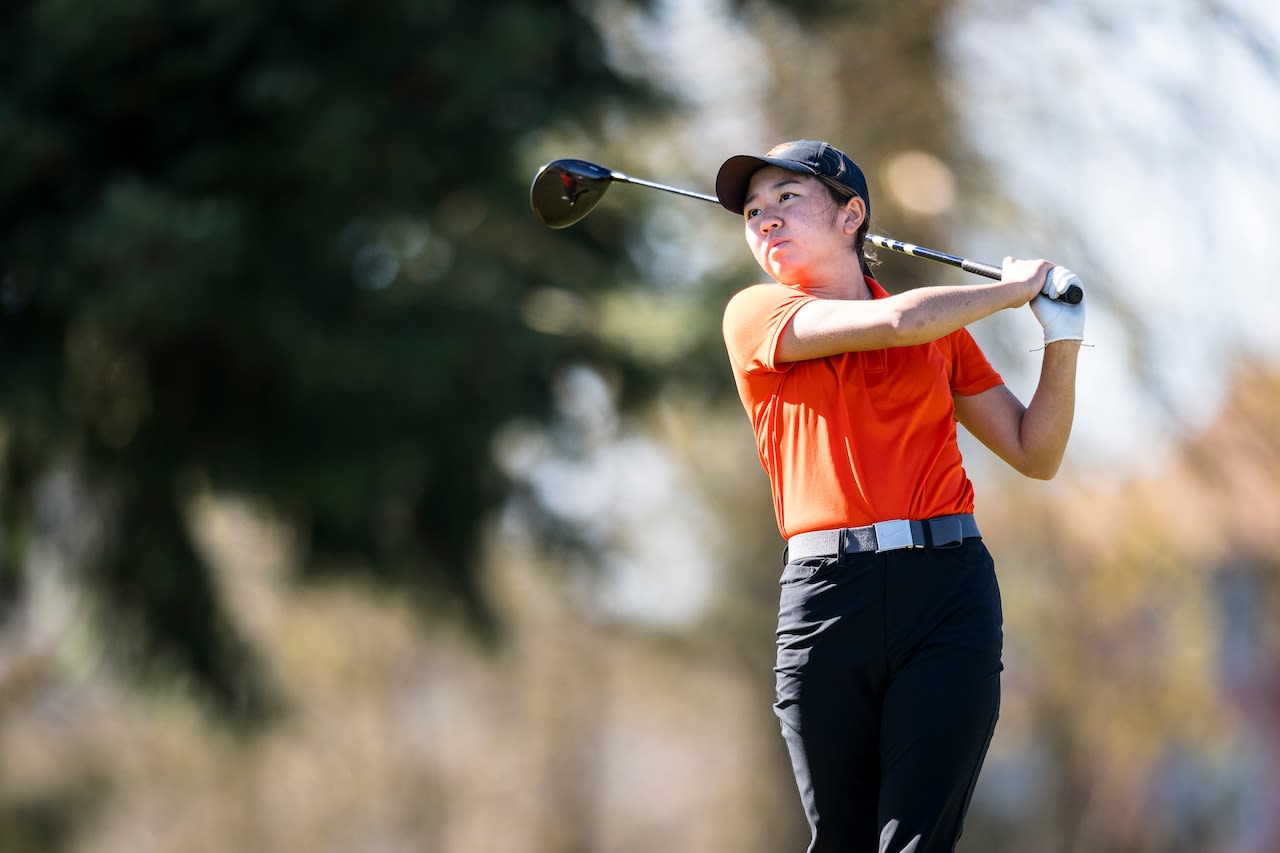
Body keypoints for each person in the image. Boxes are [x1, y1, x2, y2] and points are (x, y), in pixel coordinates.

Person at [714, 139, 1084, 853]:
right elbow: (899, 322)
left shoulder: (942, 336)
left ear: (852, 214)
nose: (765, 219)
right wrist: (1015, 288)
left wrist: (1061, 339)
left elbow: (1036, 452)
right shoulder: (755, 315)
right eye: (754, 210)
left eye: (787, 198)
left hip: (947, 591)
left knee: (917, 841)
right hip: (827, 599)